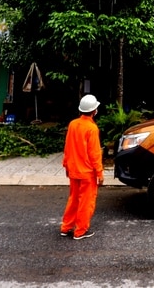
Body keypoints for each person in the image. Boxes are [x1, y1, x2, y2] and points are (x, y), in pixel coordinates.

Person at [60, 94, 104, 241]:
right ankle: (80, 231)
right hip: (87, 172)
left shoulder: (73, 124)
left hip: (73, 169)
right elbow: (94, 153)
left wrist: (66, 164)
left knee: (73, 199)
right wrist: (100, 172)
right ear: (94, 111)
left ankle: (66, 227)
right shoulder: (92, 128)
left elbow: (67, 147)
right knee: (86, 201)